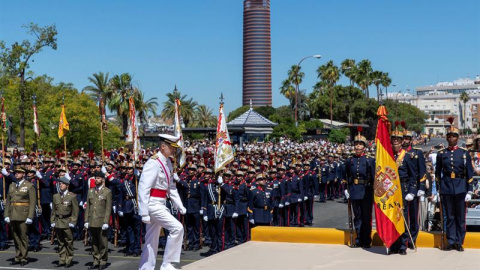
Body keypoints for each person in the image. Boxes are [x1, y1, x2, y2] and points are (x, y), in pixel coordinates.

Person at [138, 134, 186, 270]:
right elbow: (143, 187)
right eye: (171, 147)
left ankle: (146, 268)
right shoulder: (153, 162)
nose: (173, 150)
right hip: (152, 204)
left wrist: (179, 204)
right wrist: (143, 211)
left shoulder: (168, 163)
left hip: (161, 203)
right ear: (163, 146)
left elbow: (170, 187)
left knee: (151, 240)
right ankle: (167, 264)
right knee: (177, 228)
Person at [435, 124, 473, 251]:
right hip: (446, 187)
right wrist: (438, 188)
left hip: (461, 187)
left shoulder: (464, 153)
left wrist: (470, 190)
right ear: (446, 138)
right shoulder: (442, 154)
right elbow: (437, 173)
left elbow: (469, 173)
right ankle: (450, 241)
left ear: (457, 138)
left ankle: (459, 241)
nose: (452, 138)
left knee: (460, 217)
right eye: (450, 136)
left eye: (454, 136)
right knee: (449, 216)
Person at [345, 131, 375, 248]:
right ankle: (358, 239)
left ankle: (366, 240)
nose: (357, 146)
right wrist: (346, 189)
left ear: (364, 147)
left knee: (366, 217)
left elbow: (373, 177)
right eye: (356, 144)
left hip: (366, 190)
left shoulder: (369, 160)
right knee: (357, 216)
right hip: (354, 190)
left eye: (360, 144)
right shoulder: (350, 160)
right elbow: (346, 176)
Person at [4, 165, 36, 266]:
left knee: (23, 237)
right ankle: (18, 256)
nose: (16, 174)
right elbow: (9, 201)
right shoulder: (12, 185)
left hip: (23, 215)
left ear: (23, 174)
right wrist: (6, 214)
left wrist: (30, 216)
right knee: (15, 237)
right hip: (13, 214)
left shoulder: (29, 186)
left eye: (18, 172)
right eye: (15, 172)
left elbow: (32, 202)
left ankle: (24, 257)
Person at [84, 171, 112, 270]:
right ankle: (96, 260)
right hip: (92, 220)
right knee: (94, 243)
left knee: (103, 243)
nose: (96, 180)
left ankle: (103, 261)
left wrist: (106, 222)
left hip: (101, 220)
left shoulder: (107, 191)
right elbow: (88, 207)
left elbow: (108, 209)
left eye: (99, 178)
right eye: (96, 178)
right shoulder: (91, 191)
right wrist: (86, 220)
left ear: (103, 180)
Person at [51, 176, 79, 268]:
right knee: (60, 242)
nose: (61, 185)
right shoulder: (56, 196)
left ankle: (69, 259)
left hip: (67, 221)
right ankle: (62, 259)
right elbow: (54, 210)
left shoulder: (72, 196)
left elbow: (75, 211)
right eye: (60, 184)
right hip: (59, 221)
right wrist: (53, 220)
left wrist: (73, 221)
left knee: (68, 241)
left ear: (67, 185)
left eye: (62, 184)